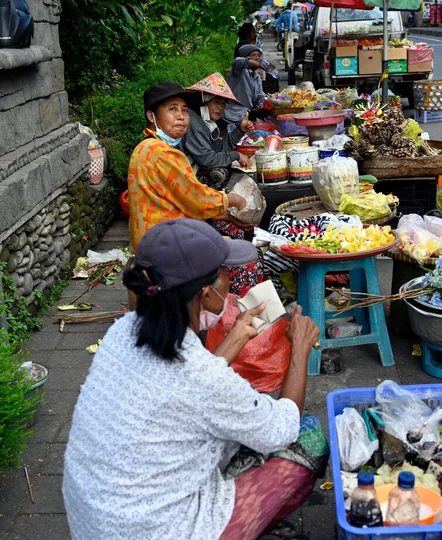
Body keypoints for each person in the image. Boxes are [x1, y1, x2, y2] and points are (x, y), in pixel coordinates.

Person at [63, 219, 325, 540]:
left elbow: (187, 389)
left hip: (97, 523)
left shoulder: (122, 331)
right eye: (224, 273)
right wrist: (299, 348)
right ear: (207, 293)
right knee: (308, 435)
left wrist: (236, 338)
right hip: (163, 530)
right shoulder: (200, 375)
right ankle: (250, 526)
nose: (230, 281)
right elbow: (281, 430)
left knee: (235, 434)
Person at [127, 82, 260, 297]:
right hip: (166, 248)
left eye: (184, 110)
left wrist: (224, 214)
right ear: (152, 116)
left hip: (156, 241)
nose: (181, 116)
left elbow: (183, 199)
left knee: (230, 234)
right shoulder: (162, 153)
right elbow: (197, 199)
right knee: (250, 256)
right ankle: (231, 314)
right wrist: (232, 200)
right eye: (172, 109)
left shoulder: (144, 148)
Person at [181, 73, 254, 191]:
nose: (220, 107)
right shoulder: (193, 122)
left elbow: (219, 149)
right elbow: (208, 160)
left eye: (223, 103)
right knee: (220, 173)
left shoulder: (205, 121)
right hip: (183, 175)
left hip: (197, 166)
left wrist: (240, 130)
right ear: (204, 101)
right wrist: (236, 155)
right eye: (216, 102)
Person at [223, 44, 266, 125]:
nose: (257, 58)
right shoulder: (239, 72)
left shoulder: (256, 77)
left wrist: (261, 105)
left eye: (259, 55)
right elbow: (237, 61)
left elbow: (260, 96)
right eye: (253, 55)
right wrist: (259, 64)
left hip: (246, 116)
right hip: (232, 116)